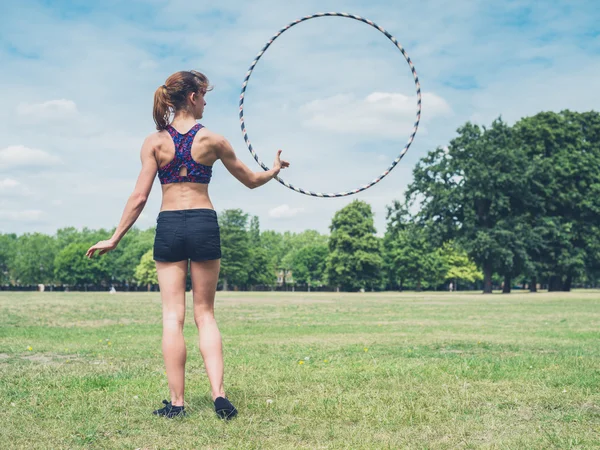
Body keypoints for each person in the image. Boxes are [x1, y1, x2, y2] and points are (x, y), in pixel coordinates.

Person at [86, 70, 289, 419]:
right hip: (202, 222)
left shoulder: (154, 142)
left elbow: (139, 197)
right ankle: (219, 398)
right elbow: (251, 181)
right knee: (205, 314)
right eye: (205, 95)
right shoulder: (213, 140)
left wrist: (115, 237)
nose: (207, 101)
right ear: (193, 97)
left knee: (172, 316)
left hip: (169, 225)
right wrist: (273, 170)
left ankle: (177, 404)